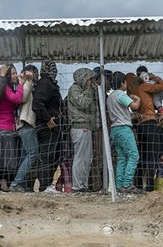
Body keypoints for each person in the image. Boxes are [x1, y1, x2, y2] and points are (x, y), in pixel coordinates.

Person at [0, 65, 29, 192]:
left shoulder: (11, 88)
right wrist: (22, 83)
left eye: (16, 72)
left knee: (7, 157)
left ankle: (3, 181)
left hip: (10, 126)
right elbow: (17, 99)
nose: (15, 75)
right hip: (3, 126)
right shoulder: (5, 88)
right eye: (12, 73)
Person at [128, 70, 163, 190]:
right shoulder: (145, 87)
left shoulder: (134, 91)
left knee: (142, 155)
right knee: (152, 155)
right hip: (150, 122)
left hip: (140, 125)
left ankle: (139, 184)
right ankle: (150, 186)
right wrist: (155, 77)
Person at [107, 72, 142, 193]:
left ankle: (119, 185)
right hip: (124, 129)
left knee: (122, 157)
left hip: (114, 129)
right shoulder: (121, 95)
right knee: (133, 155)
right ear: (123, 83)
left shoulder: (110, 96)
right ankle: (127, 184)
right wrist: (137, 99)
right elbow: (135, 106)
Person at [32, 59, 63, 192]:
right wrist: (48, 120)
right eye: (53, 68)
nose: (55, 72)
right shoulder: (46, 82)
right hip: (47, 127)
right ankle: (44, 185)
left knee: (51, 155)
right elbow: (37, 104)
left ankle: (47, 184)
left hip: (51, 126)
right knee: (46, 155)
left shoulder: (48, 83)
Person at [67, 68, 99, 192]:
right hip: (80, 126)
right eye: (90, 80)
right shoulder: (75, 89)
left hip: (86, 126)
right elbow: (84, 103)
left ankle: (83, 184)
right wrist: (88, 89)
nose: (91, 83)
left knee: (87, 158)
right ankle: (77, 185)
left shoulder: (83, 90)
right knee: (80, 157)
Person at [9, 65, 39, 192]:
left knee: (25, 155)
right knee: (33, 153)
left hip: (24, 124)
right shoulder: (22, 85)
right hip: (25, 123)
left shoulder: (21, 85)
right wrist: (27, 81)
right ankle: (16, 183)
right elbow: (23, 98)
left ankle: (20, 183)